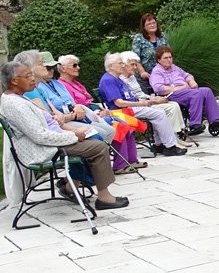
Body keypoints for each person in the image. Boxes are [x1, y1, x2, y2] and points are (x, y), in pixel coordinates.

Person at [0, 61, 130, 210]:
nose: (33, 78)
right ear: (15, 80)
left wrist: (71, 133)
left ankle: (71, 187)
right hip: (41, 149)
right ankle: (104, 197)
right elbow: (39, 136)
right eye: (28, 75)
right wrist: (74, 136)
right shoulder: (15, 104)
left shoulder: (17, 98)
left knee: (92, 140)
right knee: (98, 147)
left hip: (48, 141)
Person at [99, 52, 187, 157]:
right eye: (120, 63)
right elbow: (119, 103)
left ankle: (159, 144)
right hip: (120, 111)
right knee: (159, 113)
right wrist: (142, 103)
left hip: (130, 107)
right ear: (111, 66)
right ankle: (170, 146)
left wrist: (146, 101)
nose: (123, 65)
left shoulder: (116, 78)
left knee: (160, 111)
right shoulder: (108, 80)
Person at [18, 50, 115, 142]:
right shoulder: (33, 90)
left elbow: (72, 105)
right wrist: (74, 126)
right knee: (98, 136)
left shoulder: (54, 84)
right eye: (46, 66)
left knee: (110, 130)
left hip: (75, 118)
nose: (50, 69)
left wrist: (77, 108)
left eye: (52, 67)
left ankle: (114, 158)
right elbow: (51, 120)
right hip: (60, 128)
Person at [149, 46, 219, 134]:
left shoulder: (174, 67)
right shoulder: (157, 71)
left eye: (170, 57)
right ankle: (194, 124)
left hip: (187, 91)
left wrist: (191, 81)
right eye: (165, 58)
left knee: (206, 91)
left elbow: (187, 75)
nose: (169, 60)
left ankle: (215, 121)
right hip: (172, 94)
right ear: (159, 60)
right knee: (196, 94)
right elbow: (158, 88)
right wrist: (179, 88)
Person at [119, 51, 192, 143]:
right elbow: (133, 99)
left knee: (174, 104)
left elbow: (140, 94)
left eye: (135, 65)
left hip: (144, 102)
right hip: (137, 106)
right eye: (132, 65)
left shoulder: (131, 77)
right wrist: (154, 101)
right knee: (170, 108)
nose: (135, 68)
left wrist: (153, 98)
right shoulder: (121, 80)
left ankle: (174, 135)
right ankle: (170, 139)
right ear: (124, 65)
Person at [131, 13, 169, 80]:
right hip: (145, 76)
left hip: (163, 75)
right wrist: (142, 72)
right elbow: (135, 58)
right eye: (149, 24)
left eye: (154, 23)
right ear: (144, 27)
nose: (152, 25)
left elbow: (169, 54)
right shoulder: (138, 38)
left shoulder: (162, 36)